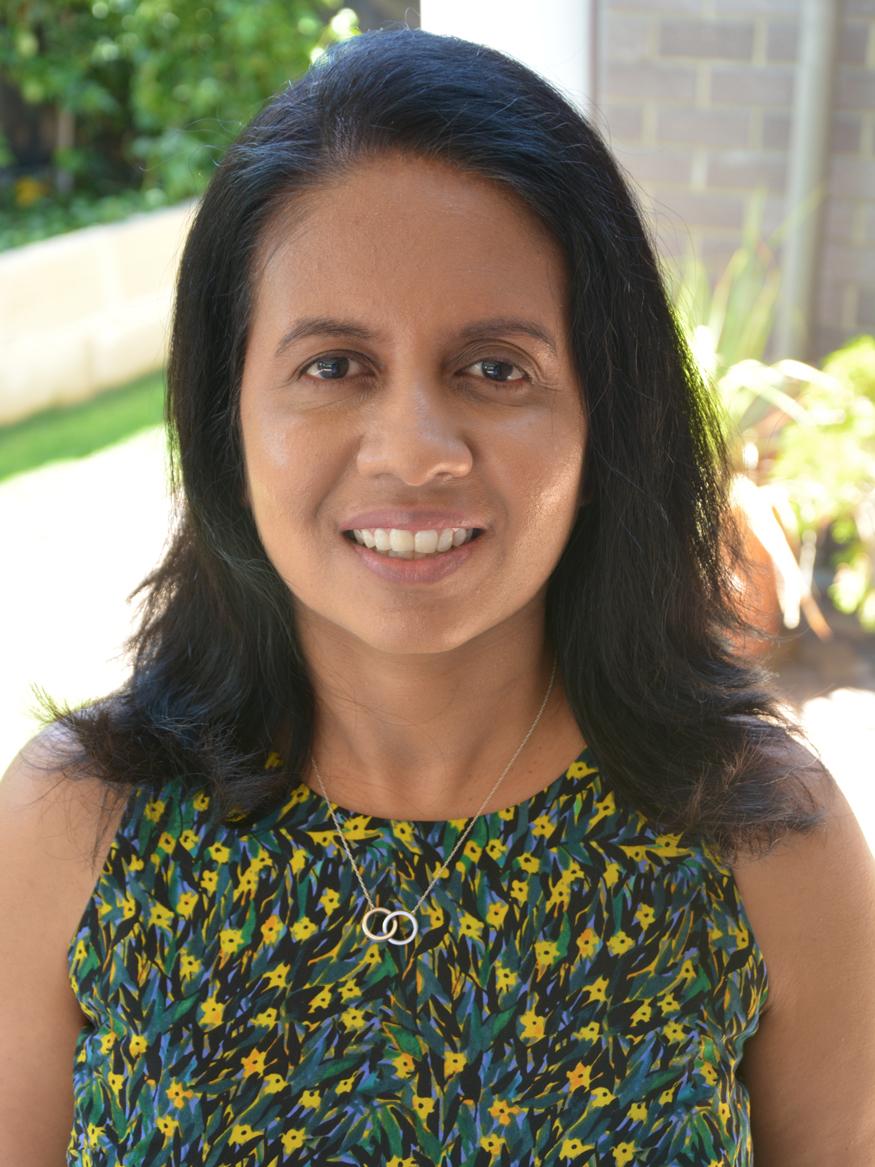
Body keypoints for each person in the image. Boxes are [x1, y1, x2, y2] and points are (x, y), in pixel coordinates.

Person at [2, 26, 873, 1167]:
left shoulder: (762, 842)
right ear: (227, 415)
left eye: (493, 367)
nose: (414, 452)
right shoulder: (78, 829)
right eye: (333, 366)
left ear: (602, 410)